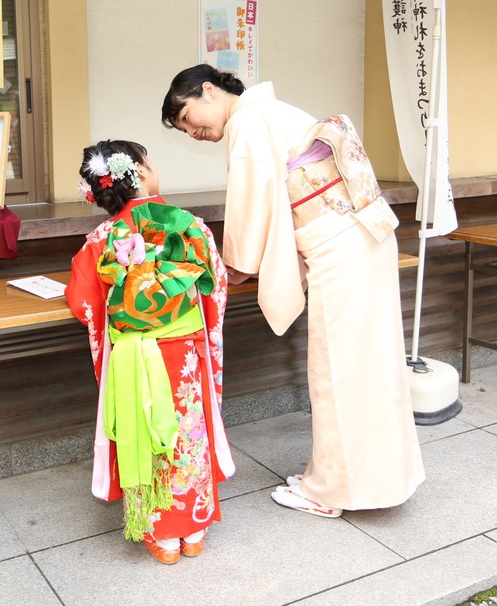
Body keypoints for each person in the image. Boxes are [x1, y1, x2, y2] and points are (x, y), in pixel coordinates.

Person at [160, 64, 424, 519]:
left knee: (337, 370)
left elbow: (251, 201)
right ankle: (363, 477)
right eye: (184, 131)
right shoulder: (273, 113)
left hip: (340, 245)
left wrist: (235, 267)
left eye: (188, 118)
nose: (193, 132)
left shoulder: (249, 121)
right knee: (369, 365)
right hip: (362, 236)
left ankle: (330, 492)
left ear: (208, 90)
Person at [65, 139, 235, 565]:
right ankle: (193, 529)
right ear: (140, 172)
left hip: (131, 358)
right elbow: (215, 286)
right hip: (184, 355)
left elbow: (83, 304)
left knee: (143, 434)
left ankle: (161, 536)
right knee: (187, 432)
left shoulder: (100, 238)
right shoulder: (189, 225)